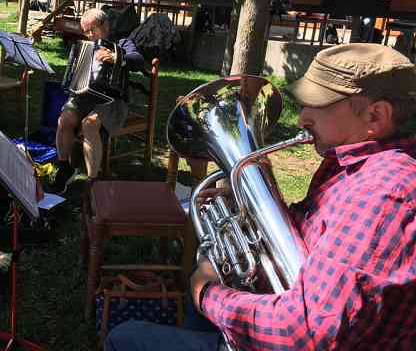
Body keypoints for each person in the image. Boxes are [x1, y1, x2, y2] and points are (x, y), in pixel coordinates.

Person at [106, 43, 416, 350]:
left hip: (289, 336)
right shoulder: (352, 166)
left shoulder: (384, 194)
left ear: (376, 116)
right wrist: (251, 210)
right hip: (289, 312)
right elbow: (314, 243)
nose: (301, 119)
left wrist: (208, 294)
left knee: (123, 337)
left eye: (318, 104)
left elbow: (303, 335)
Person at [53, 8, 144, 193]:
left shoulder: (122, 42)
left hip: (112, 101)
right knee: (64, 120)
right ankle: (64, 167)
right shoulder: (85, 46)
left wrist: (117, 57)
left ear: (105, 25)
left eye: (91, 30)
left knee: (89, 124)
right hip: (84, 97)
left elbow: (138, 60)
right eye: (85, 31)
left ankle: (93, 180)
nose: (88, 35)